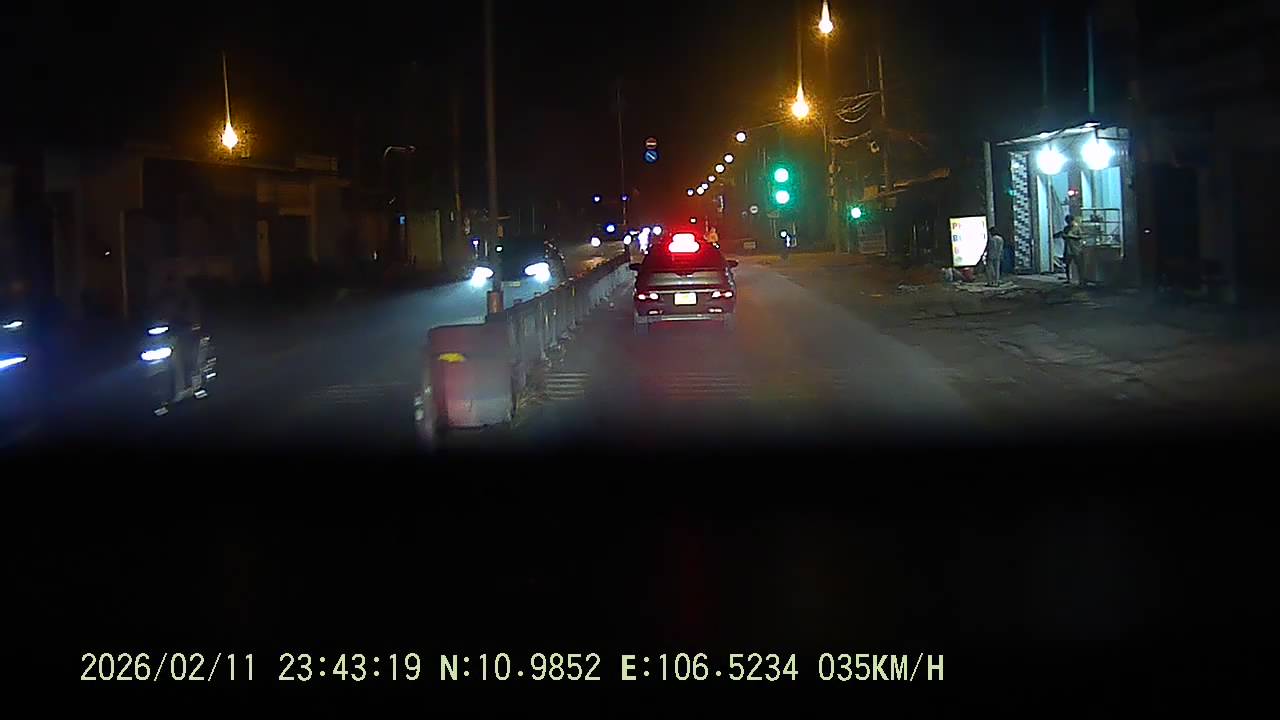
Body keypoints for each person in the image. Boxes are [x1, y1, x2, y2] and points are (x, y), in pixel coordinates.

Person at [1054, 214, 1083, 284]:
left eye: (1069, 222)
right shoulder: (1066, 228)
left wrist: (1072, 236)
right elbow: (1064, 236)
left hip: (1076, 249)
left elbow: (1080, 237)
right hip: (1068, 248)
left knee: (1079, 265)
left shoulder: (1077, 228)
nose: (1068, 223)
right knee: (1067, 264)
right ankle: (1068, 279)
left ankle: (1081, 279)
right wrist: (1064, 236)